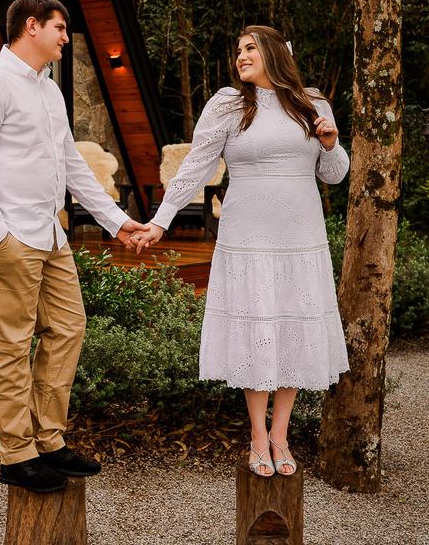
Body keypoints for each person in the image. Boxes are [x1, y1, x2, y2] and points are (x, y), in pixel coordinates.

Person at [131, 24, 350, 477]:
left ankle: (280, 435)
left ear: (273, 54)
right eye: (238, 50)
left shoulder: (312, 103)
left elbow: (334, 174)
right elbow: (196, 166)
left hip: (299, 236)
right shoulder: (228, 105)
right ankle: (256, 435)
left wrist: (331, 143)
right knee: (258, 329)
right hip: (247, 235)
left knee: (292, 326)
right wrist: (161, 220)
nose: (241, 55)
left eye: (251, 48)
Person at [0, 0, 148, 493]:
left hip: (50, 231)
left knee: (68, 327)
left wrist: (117, 222)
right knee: (12, 344)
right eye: (60, 28)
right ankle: (16, 455)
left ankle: (49, 441)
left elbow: (72, 166)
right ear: (31, 26)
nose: (66, 37)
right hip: (8, 234)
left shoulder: (50, 92)